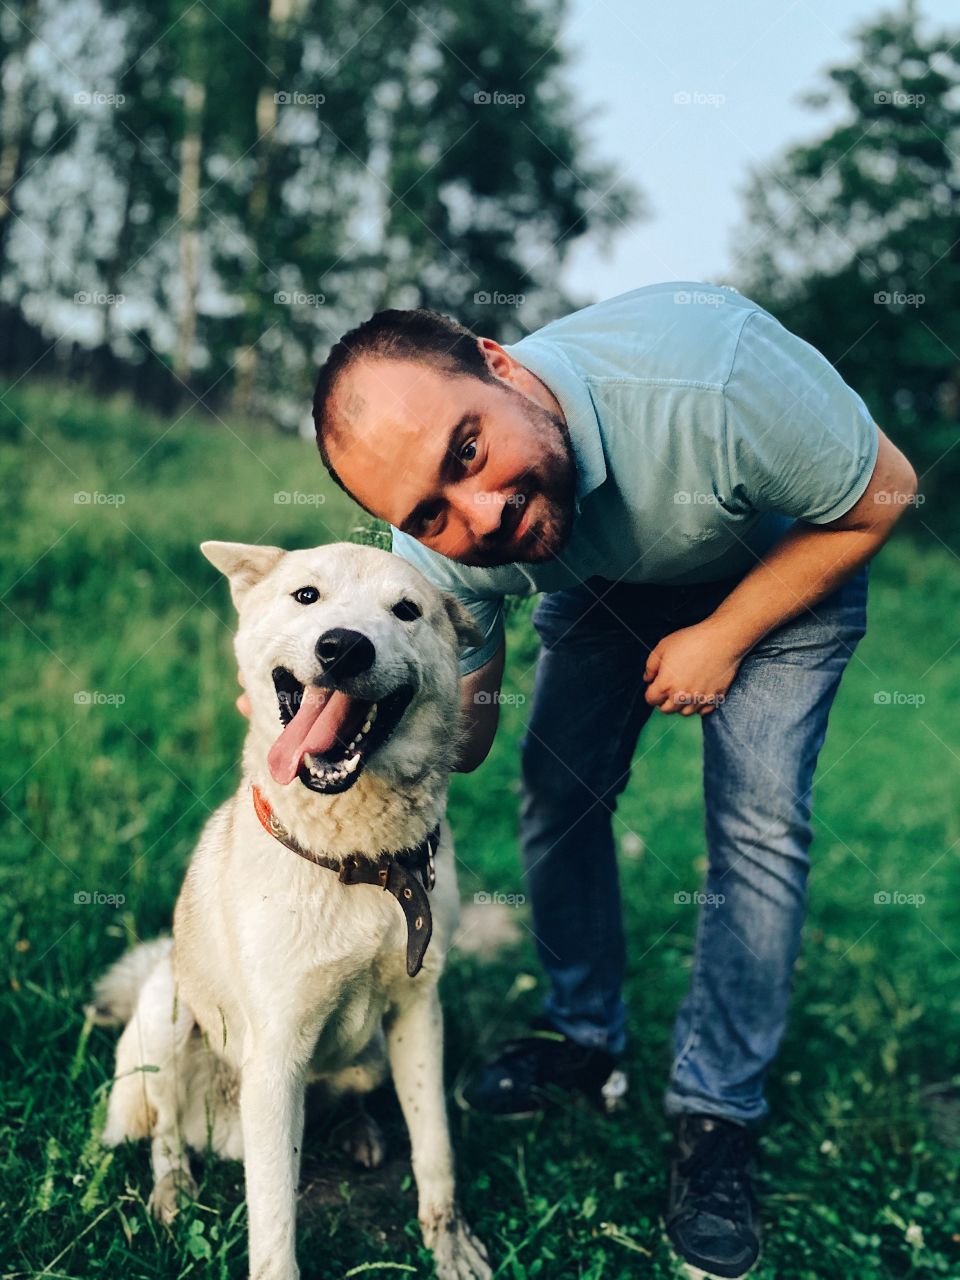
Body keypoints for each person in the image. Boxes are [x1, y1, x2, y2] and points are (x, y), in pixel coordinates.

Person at [250, 283, 916, 1278]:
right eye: (431, 510)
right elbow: (460, 730)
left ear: (502, 363)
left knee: (759, 824)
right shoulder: (440, 549)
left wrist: (722, 635)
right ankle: (583, 1035)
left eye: (467, 451)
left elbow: (887, 492)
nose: (476, 513)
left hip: (788, 547)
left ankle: (717, 1113)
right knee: (556, 787)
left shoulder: (713, 379)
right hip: (599, 575)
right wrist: (363, 735)